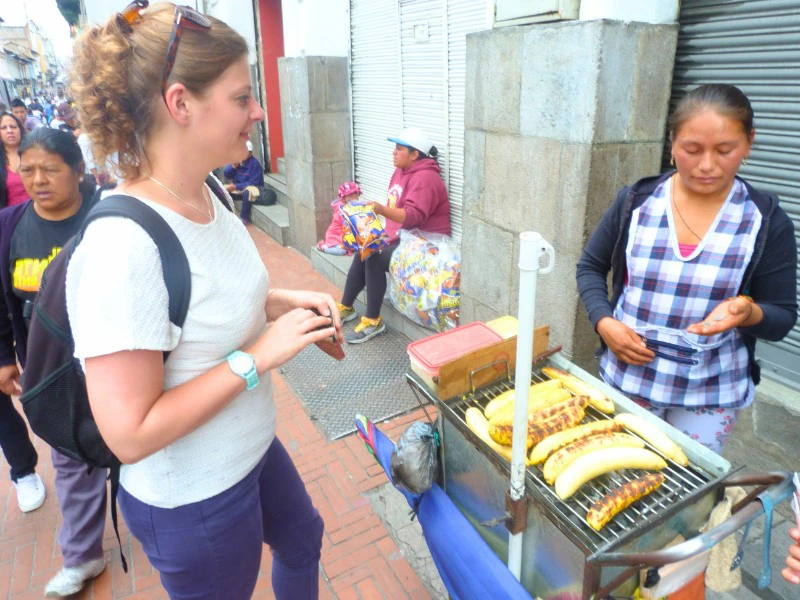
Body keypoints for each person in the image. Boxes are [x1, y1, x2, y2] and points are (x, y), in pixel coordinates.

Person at [69, 3, 337, 597]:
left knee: (302, 538)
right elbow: (130, 433)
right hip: (194, 500)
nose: (259, 112)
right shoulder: (122, 250)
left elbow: (207, 299)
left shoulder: (208, 189)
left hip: (251, 450)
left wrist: (284, 303)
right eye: (243, 97)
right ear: (181, 103)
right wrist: (258, 358)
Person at [576, 84, 798, 453]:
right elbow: (590, 267)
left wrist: (747, 312)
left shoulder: (765, 222)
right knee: (620, 482)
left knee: (685, 489)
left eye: (725, 150)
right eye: (692, 150)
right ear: (672, 142)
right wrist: (604, 321)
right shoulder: (636, 203)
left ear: (749, 142)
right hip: (629, 380)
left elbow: (782, 317)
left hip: (711, 392)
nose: (707, 164)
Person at [0, 127, 107, 596]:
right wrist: (5, 356)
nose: (38, 179)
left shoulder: (108, 217)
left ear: (79, 171)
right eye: (28, 171)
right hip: (51, 371)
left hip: (113, 361)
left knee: (143, 447)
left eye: (51, 169)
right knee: (69, 458)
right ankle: (84, 556)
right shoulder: (9, 225)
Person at [337, 127, 451, 343]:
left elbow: (413, 216)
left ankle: (373, 321)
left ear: (415, 154)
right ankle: (346, 307)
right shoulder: (401, 171)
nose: (393, 152)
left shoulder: (426, 178)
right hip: (405, 238)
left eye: (399, 149)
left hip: (427, 246)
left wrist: (379, 210)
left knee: (375, 257)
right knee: (366, 249)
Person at [222, 139, 264, 224]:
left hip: (254, 188)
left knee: (247, 192)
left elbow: (254, 182)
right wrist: (233, 167)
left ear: (250, 153)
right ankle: (227, 215)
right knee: (222, 190)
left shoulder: (254, 164)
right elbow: (227, 175)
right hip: (238, 188)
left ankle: (244, 218)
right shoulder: (237, 161)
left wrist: (236, 186)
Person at [316, 181, 360, 256]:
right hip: (335, 238)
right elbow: (350, 224)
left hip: (344, 237)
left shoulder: (353, 207)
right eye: (351, 197)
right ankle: (323, 247)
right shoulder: (341, 211)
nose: (355, 199)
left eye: (356, 196)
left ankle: (347, 246)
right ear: (344, 199)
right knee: (342, 252)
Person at [1, 112, 30, 208]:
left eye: (13, 127)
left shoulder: (34, 153)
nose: (9, 131)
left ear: (20, 129)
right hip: (11, 219)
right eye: (3, 128)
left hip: (43, 213)